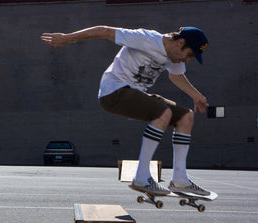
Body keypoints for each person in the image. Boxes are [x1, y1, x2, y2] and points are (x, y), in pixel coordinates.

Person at [41, 26, 210, 195]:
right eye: (189, 55)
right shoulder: (146, 38)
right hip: (113, 92)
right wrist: (67, 38)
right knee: (163, 112)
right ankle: (142, 177)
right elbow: (104, 31)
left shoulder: (174, 57)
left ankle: (180, 180)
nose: (187, 60)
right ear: (180, 42)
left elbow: (176, 76)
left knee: (186, 117)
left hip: (135, 95)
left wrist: (196, 95)